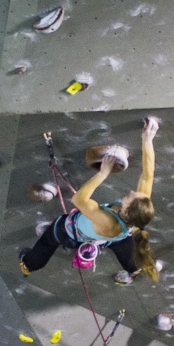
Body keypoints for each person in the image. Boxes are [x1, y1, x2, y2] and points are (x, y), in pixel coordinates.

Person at [19, 118, 159, 284]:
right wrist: (147, 140)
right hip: (110, 237)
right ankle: (135, 268)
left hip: (71, 233)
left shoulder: (109, 222)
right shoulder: (138, 213)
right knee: (121, 243)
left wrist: (103, 173)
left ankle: (28, 265)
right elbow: (148, 175)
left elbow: (79, 199)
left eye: (130, 197)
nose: (131, 192)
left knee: (48, 240)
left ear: (127, 212)